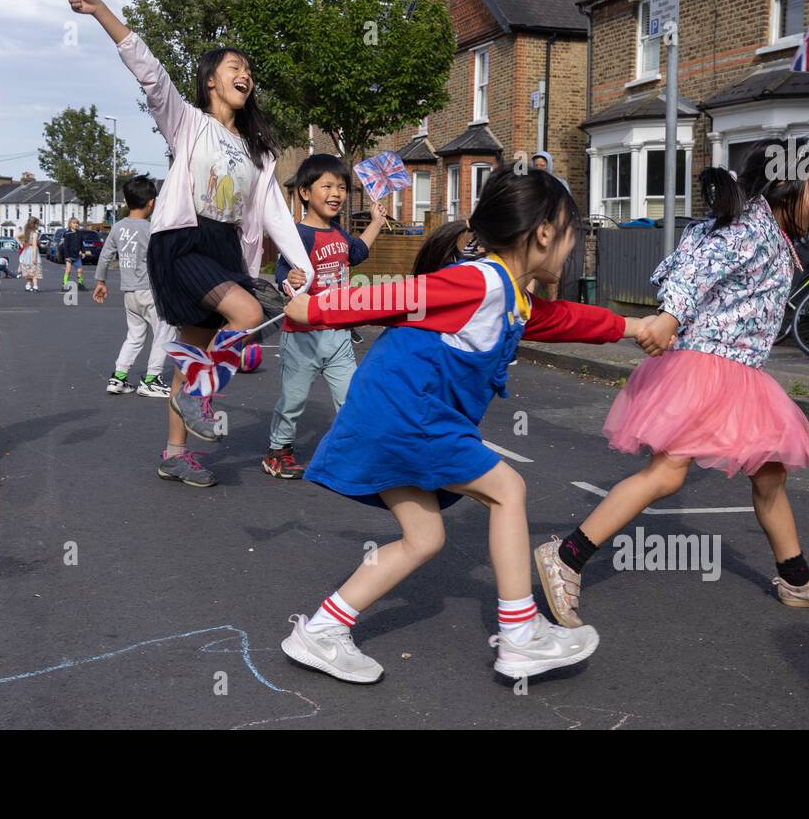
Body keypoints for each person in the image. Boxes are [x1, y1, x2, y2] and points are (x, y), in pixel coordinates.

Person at [278, 167, 656, 683]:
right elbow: (391, 296)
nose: (572, 247)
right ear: (544, 233)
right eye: (571, 232)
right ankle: (521, 635)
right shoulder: (478, 280)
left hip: (397, 415)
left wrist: (634, 326)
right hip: (406, 416)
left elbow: (564, 320)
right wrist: (311, 308)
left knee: (425, 537)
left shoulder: (512, 296)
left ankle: (320, 631)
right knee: (507, 488)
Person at [534, 136, 809, 627]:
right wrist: (670, 317)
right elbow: (696, 268)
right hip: (708, 366)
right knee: (666, 474)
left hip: (737, 372)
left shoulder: (776, 225)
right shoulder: (748, 229)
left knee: (770, 473)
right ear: (789, 190)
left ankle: (797, 580)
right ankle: (566, 555)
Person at [62, 0, 314, 490]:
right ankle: (197, 398)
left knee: (192, 354)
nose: (244, 74)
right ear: (210, 82)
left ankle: (175, 453)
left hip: (224, 247)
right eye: (233, 67)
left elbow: (273, 212)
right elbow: (151, 73)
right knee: (245, 313)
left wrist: (301, 261)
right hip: (183, 240)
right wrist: (100, 11)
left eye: (247, 69)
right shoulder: (188, 122)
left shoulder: (258, 151)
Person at [263, 154, 386, 479]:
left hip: (338, 336)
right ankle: (278, 450)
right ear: (305, 192)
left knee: (352, 398)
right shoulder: (298, 235)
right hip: (302, 336)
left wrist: (375, 221)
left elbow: (356, 253)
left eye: (342, 187)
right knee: (293, 400)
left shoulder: (340, 234)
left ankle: (353, 452)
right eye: (327, 186)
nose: (336, 193)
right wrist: (289, 281)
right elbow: (281, 272)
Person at [94, 175, 176, 399]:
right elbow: (163, 261)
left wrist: (100, 281)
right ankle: (152, 380)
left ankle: (119, 377)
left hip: (129, 292)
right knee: (165, 331)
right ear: (151, 203)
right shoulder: (151, 230)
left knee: (135, 335)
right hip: (150, 291)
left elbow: (105, 255)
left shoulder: (118, 227)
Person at [60, 217, 85, 291]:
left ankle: (80, 284)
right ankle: (64, 285)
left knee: (80, 270)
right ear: (70, 224)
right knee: (68, 270)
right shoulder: (67, 234)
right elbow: (65, 246)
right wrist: (66, 256)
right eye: (74, 223)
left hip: (77, 255)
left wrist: (83, 252)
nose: (76, 225)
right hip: (69, 256)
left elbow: (81, 244)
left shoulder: (79, 233)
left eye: (77, 223)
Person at [19, 217, 42, 291]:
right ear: (35, 225)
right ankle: (35, 287)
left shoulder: (26, 232)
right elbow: (35, 246)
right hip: (32, 251)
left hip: (26, 251)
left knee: (29, 270)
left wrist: (21, 244)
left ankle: (28, 286)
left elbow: (16, 236)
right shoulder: (35, 234)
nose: (38, 226)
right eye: (37, 224)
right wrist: (34, 257)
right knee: (34, 271)